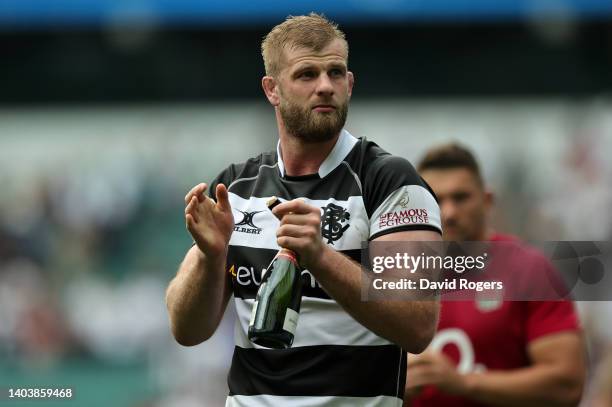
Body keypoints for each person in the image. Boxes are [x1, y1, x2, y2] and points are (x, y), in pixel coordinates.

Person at [165, 13, 443, 407]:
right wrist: (210, 258)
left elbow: (418, 325)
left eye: (335, 72)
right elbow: (187, 330)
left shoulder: (390, 181)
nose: (325, 86)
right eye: (307, 75)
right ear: (272, 89)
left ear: (350, 83)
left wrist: (320, 257)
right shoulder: (237, 186)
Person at [405, 143, 586, 407]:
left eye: (461, 197)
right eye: (436, 199)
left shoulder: (528, 271)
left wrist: (464, 383)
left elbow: (567, 385)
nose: (449, 213)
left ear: (487, 200)